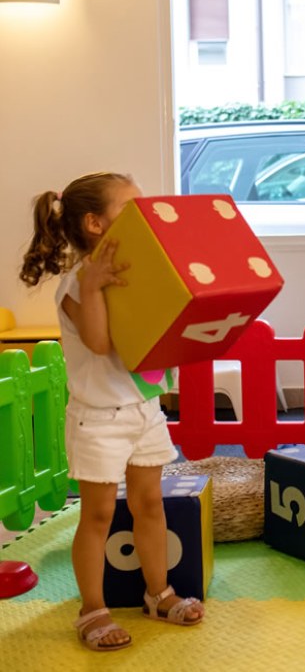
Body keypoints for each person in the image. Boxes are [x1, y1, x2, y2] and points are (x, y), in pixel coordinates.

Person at [19, 172, 205, 651]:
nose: (143, 217)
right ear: (95, 224)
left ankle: (158, 593)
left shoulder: (134, 274)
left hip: (143, 410)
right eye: (131, 209)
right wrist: (95, 287)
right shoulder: (76, 284)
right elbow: (101, 345)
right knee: (98, 515)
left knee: (150, 506)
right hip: (98, 418)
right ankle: (92, 610)